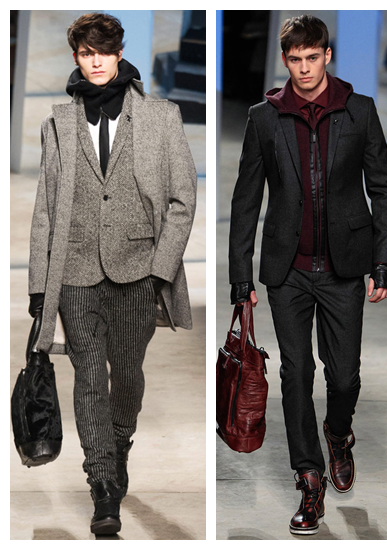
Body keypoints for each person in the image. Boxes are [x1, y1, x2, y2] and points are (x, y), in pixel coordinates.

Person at [228, 14, 387, 535]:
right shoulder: (264, 118)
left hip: (345, 267)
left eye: (312, 57)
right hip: (288, 270)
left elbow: (383, 189)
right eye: (295, 59)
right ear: (286, 60)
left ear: (327, 55)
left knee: (344, 376)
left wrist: (384, 262)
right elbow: (245, 199)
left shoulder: (359, 110)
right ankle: (309, 478)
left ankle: (339, 433)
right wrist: (241, 277)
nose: (304, 68)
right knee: (295, 373)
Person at [28, 13, 197, 535]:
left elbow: (183, 200)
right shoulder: (57, 124)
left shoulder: (161, 117)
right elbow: (45, 210)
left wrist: (160, 270)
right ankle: (102, 482)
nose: (96, 61)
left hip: (137, 271)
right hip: (74, 270)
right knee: (88, 378)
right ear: (76, 57)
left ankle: (119, 444)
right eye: (87, 52)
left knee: (127, 376)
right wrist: (40, 285)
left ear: (119, 53)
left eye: (104, 51)